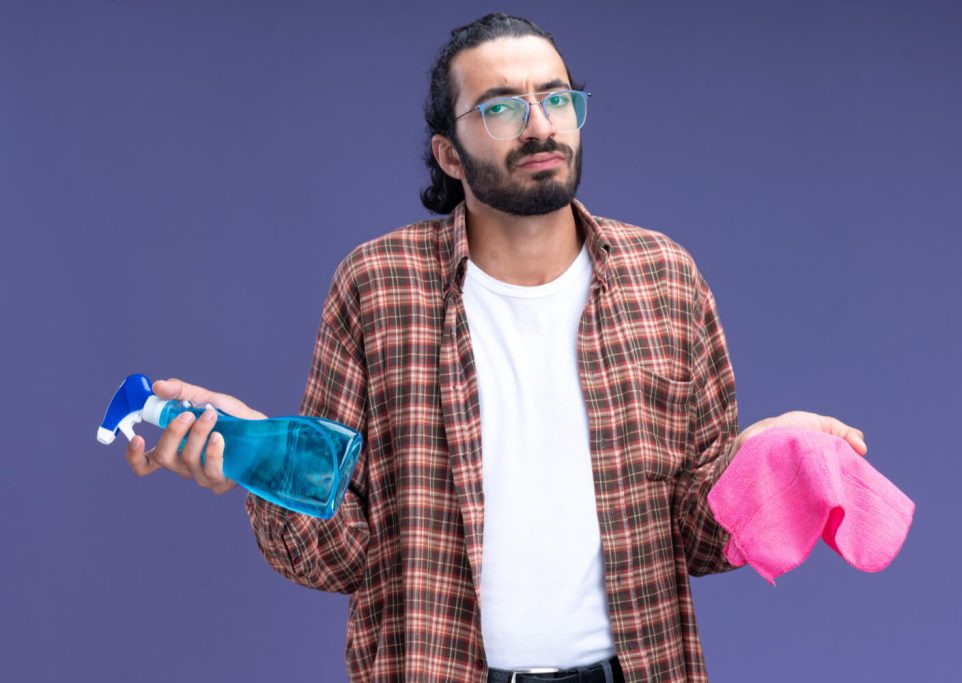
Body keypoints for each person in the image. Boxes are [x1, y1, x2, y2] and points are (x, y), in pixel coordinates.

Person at [124, 13, 867, 683]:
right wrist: (257, 456)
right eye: (503, 107)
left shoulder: (664, 278)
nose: (540, 124)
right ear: (449, 153)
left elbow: (696, 536)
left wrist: (765, 455)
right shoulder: (377, 287)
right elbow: (342, 552)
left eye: (556, 99)